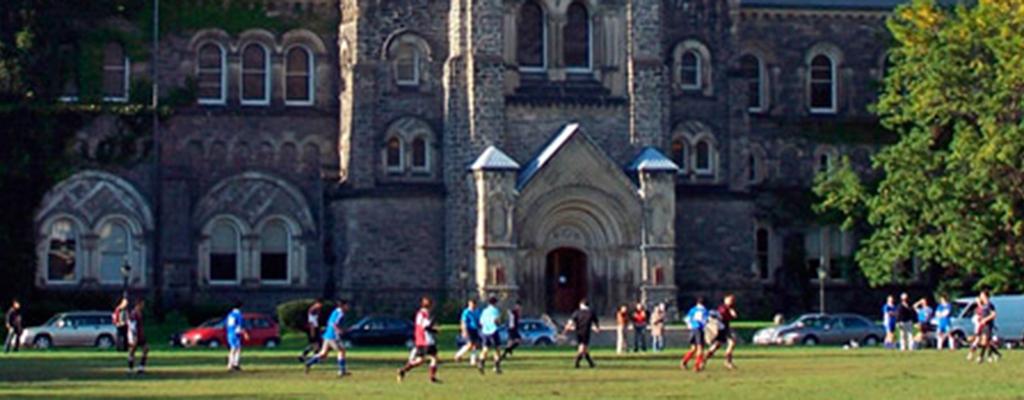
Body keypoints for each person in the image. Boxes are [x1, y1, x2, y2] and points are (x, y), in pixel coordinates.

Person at [398, 296, 440, 384]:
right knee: (434, 358)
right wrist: (435, 330)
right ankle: (432, 377)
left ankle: (403, 370)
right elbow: (426, 327)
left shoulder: (419, 313)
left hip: (420, 339)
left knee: (420, 360)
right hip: (427, 340)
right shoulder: (425, 314)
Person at [304, 300, 350, 377]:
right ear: (343, 306)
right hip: (333, 336)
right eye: (347, 305)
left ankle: (309, 363)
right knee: (341, 351)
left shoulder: (335, 311)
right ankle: (342, 371)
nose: (348, 307)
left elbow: (329, 322)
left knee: (323, 354)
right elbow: (333, 323)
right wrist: (338, 330)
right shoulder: (340, 313)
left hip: (327, 335)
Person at [563, 299, 600, 368]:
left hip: (578, 332)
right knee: (583, 348)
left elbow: (571, 321)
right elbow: (596, 322)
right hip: (586, 332)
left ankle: (591, 364)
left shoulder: (577, 312)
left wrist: (566, 328)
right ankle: (577, 361)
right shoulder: (591, 313)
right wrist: (597, 328)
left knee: (584, 348)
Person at [706, 294, 738, 370]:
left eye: (732, 300)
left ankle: (728, 362)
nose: (732, 302)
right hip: (721, 329)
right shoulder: (723, 308)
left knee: (732, 342)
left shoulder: (730, 308)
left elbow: (734, 316)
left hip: (726, 329)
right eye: (730, 300)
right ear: (725, 300)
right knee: (716, 346)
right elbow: (722, 316)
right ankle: (704, 359)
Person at [968, 291, 998, 364]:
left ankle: (981, 357)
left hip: (988, 325)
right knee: (984, 342)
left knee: (984, 341)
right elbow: (981, 311)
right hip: (982, 325)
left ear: (985, 296)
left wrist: (985, 319)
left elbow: (994, 314)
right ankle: (994, 355)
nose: (980, 296)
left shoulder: (990, 305)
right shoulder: (983, 305)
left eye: (981, 295)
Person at [681, 297, 708, 372]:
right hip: (699, 329)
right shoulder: (704, 310)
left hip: (692, 329)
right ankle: (697, 366)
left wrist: (690, 325)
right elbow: (704, 320)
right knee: (700, 349)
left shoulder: (692, 309)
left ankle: (684, 361)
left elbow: (686, 319)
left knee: (693, 348)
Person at [477, 297, 503, 374]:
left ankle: (481, 363)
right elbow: (496, 320)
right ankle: (496, 366)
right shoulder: (495, 310)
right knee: (497, 349)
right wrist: (498, 323)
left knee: (485, 349)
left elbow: (481, 322)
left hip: (485, 331)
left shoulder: (484, 311)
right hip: (493, 331)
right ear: (495, 303)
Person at [453, 299, 480, 365]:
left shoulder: (477, 311)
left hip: (475, 329)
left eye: (473, 304)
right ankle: (458, 355)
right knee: (470, 344)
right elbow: (463, 321)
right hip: (468, 329)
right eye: (471, 304)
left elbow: (478, 320)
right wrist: (464, 330)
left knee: (475, 345)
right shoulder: (466, 312)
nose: (472, 306)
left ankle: (473, 360)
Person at [127, 299, 149, 374]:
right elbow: (132, 326)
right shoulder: (134, 314)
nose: (143, 306)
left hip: (141, 335)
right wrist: (134, 336)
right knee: (132, 351)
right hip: (135, 335)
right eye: (142, 304)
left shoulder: (140, 313)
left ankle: (141, 367)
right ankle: (130, 368)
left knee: (146, 349)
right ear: (138, 304)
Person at [225, 301, 247, 372]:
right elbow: (239, 326)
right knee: (236, 349)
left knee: (233, 349)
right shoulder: (238, 315)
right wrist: (244, 333)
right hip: (235, 334)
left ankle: (231, 364)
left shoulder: (230, 314)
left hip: (229, 333)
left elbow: (227, 324)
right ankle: (233, 364)